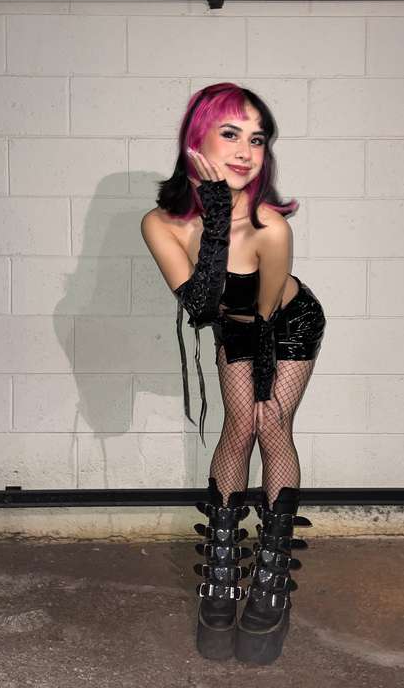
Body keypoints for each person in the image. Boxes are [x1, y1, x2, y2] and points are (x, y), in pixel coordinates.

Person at [140, 82, 326, 665]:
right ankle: (220, 579)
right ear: (196, 139)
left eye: (258, 139)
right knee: (236, 427)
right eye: (231, 134)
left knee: (270, 425)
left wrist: (266, 382)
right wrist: (216, 211)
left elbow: (265, 313)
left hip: (285, 323)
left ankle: (270, 583)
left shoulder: (272, 227)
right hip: (231, 324)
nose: (247, 151)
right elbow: (201, 307)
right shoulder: (160, 224)